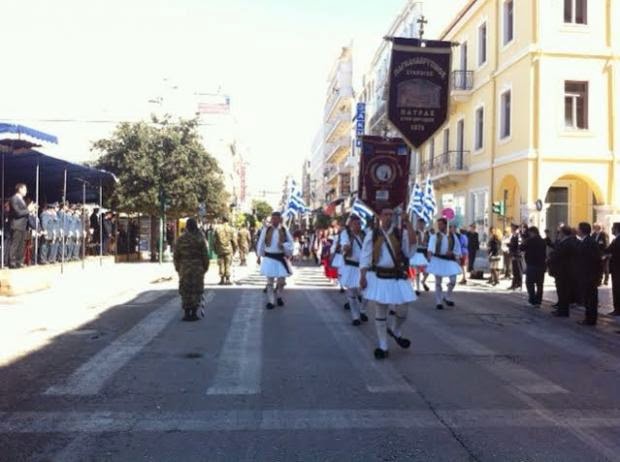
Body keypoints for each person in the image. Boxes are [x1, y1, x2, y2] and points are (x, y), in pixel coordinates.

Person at [360, 208, 416, 360]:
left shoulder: (399, 233)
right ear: (379, 216)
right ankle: (383, 345)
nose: (388, 217)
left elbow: (410, 250)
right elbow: (365, 256)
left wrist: (408, 223)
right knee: (380, 311)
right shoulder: (372, 235)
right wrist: (363, 276)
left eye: (391, 214)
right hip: (378, 276)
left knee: (403, 309)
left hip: (397, 276)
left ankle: (396, 330)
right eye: (385, 214)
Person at [173, 218, 210, 321]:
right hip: (197, 268)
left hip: (184, 267)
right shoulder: (200, 239)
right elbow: (205, 256)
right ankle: (194, 312)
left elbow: (176, 255)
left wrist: (178, 268)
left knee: (185, 290)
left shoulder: (180, 239)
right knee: (196, 290)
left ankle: (186, 312)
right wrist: (205, 268)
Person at [256, 211, 294, 309]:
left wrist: (284, 246)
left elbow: (291, 243)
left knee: (281, 281)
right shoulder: (267, 229)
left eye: (276, 219)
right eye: (273, 219)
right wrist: (259, 256)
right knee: (270, 281)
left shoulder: (284, 229)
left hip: (280, 257)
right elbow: (261, 242)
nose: (274, 221)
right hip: (269, 257)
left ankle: (279, 296)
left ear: (280, 219)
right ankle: (271, 301)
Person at [427, 217, 462, 310]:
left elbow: (457, 248)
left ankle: (447, 296)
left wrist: (455, 254)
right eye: (438, 224)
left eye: (441, 224)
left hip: (449, 260)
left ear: (445, 225)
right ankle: (438, 301)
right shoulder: (435, 236)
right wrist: (429, 256)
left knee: (453, 280)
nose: (439, 226)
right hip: (438, 259)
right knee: (438, 282)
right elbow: (430, 248)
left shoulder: (452, 236)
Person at [339, 215, 368, 326]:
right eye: (355, 224)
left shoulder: (365, 235)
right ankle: (355, 316)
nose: (358, 226)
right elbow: (344, 245)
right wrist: (346, 247)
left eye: (359, 224)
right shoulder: (346, 234)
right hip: (351, 266)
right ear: (350, 225)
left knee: (365, 292)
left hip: (363, 267)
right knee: (351, 293)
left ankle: (362, 310)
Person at [547, 226, 579, 318]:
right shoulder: (564, 242)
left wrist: (550, 258)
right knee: (561, 291)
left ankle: (563, 311)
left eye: (559, 232)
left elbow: (559, 254)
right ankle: (561, 309)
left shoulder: (568, 243)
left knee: (563, 291)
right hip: (562, 270)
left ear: (563, 233)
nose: (558, 234)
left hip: (564, 271)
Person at [576, 222, 603, 326]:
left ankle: (590, 319)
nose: (577, 230)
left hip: (590, 275)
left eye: (578, 229)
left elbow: (596, 260)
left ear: (582, 230)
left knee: (590, 298)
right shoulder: (586, 241)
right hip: (587, 275)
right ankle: (588, 318)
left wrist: (598, 277)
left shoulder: (589, 242)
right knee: (588, 298)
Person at [8, 183, 34, 268]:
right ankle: (12, 262)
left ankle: (19, 261)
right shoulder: (14, 199)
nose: (26, 191)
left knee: (21, 245)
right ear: (20, 189)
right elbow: (17, 212)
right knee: (15, 244)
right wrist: (28, 210)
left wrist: (29, 209)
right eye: (25, 189)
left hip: (23, 225)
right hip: (16, 224)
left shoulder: (22, 199)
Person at [521, 226, 546, 307]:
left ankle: (532, 300)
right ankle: (538, 301)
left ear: (532, 232)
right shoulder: (543, 241)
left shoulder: (530, 240)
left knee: (530, 282)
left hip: (532, 264)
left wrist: (524, 240)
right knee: (540, 284)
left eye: (529, 233)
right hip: (541, 264)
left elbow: (522, 248)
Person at [213, 217, 237, 285]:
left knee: (221, 264)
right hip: (229, 249)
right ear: (228, 220)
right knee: (228, 264)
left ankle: (222, 279)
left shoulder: (217, 229)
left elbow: (214, 241)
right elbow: (234, 241)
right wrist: (235, 249)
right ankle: (228, 279)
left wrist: (215, 249)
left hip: (220, 248)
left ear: (222, 220)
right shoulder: (231, 229)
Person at [409, 218, 430, 296]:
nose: (421, 225)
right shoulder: (415, 233)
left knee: (427, 270)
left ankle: (423, 281)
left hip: (424, 252)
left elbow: (428, 242)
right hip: (417, 252)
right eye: (419, 224)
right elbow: (413, 243)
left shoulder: (427, 233)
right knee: (417, 272)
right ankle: (417, 288)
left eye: (422, 224)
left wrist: (426, 245)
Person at [606, 223, 620, 316]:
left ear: (616, 229)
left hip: (618, 268)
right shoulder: (616, 239)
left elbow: (609, 250)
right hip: (616, 268)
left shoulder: (618, 240)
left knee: (617, 289)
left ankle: (618, 309)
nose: (611, 229)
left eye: (612, 228)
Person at [508, 224, 523, 290]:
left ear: (514, 228)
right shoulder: (513, 235)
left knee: (518, 271)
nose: (511, 229)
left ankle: (519, 284)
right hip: (514, 255)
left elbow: (519, 246)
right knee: (514, 271)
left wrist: (515, 255)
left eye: (512, 227)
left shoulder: (518, 235)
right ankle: (514, 284)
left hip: (517, 256)